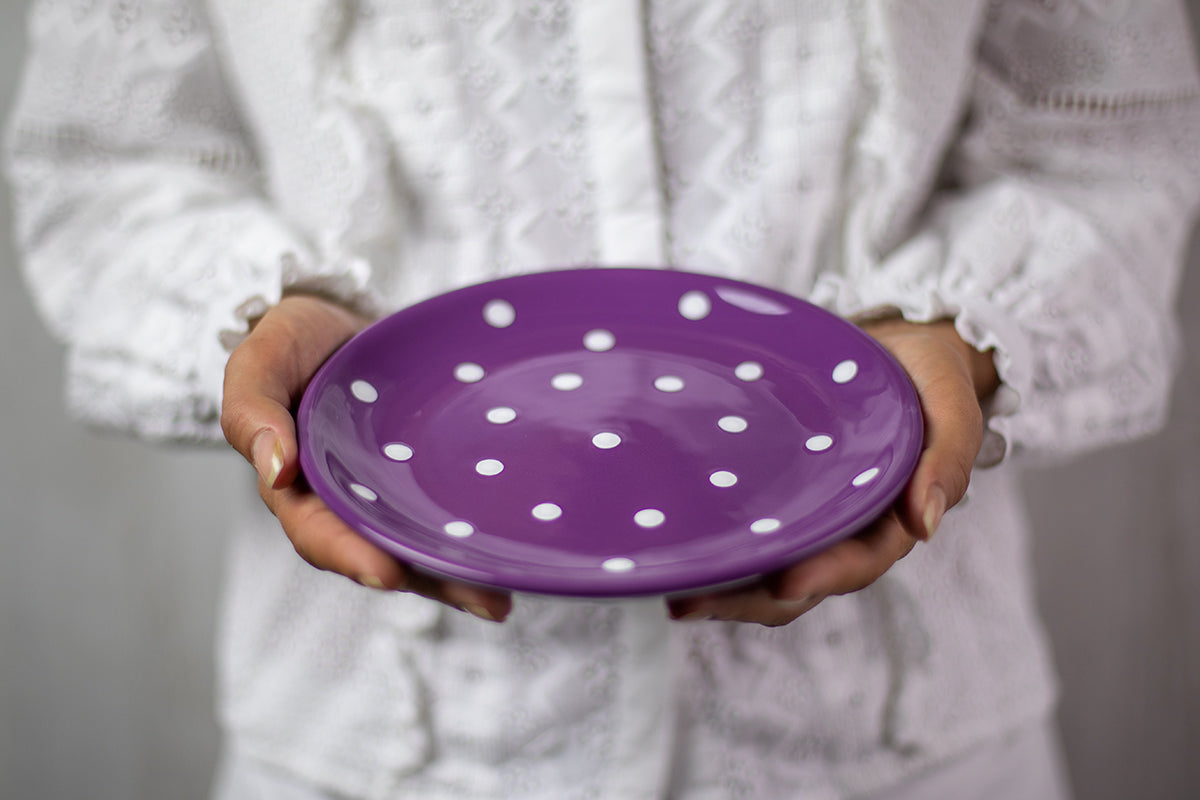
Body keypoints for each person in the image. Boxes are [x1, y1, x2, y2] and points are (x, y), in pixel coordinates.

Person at [6, 1, 1198, 797]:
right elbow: (113, 158)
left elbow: (1106, 138)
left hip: (899, 738)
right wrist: (258, 324)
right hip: (378, 740)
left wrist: (964, 332)